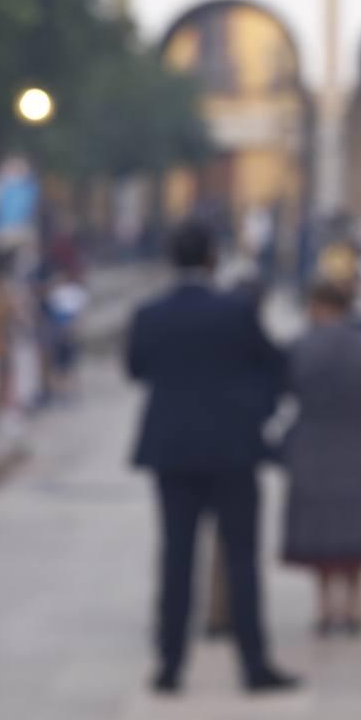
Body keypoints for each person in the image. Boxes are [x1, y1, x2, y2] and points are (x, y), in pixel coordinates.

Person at [126, 222, 297, 695]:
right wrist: (255, 410)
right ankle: (254, 664)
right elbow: (276, 366)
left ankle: (169, 664)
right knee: (241, 558)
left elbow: (136, 368)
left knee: (176, 558)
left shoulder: (150, 313)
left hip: (173, 451)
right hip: (233, 450)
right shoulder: (236, 311)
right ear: (211, 260)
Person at [280, 281, 361, 634]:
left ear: (317, 306)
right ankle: (355, 608)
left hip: (313, 446)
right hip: (360, 446)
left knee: (320, 531)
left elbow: (288, 386)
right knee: (357, 527)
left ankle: (326, 609)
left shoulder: (301, 346)